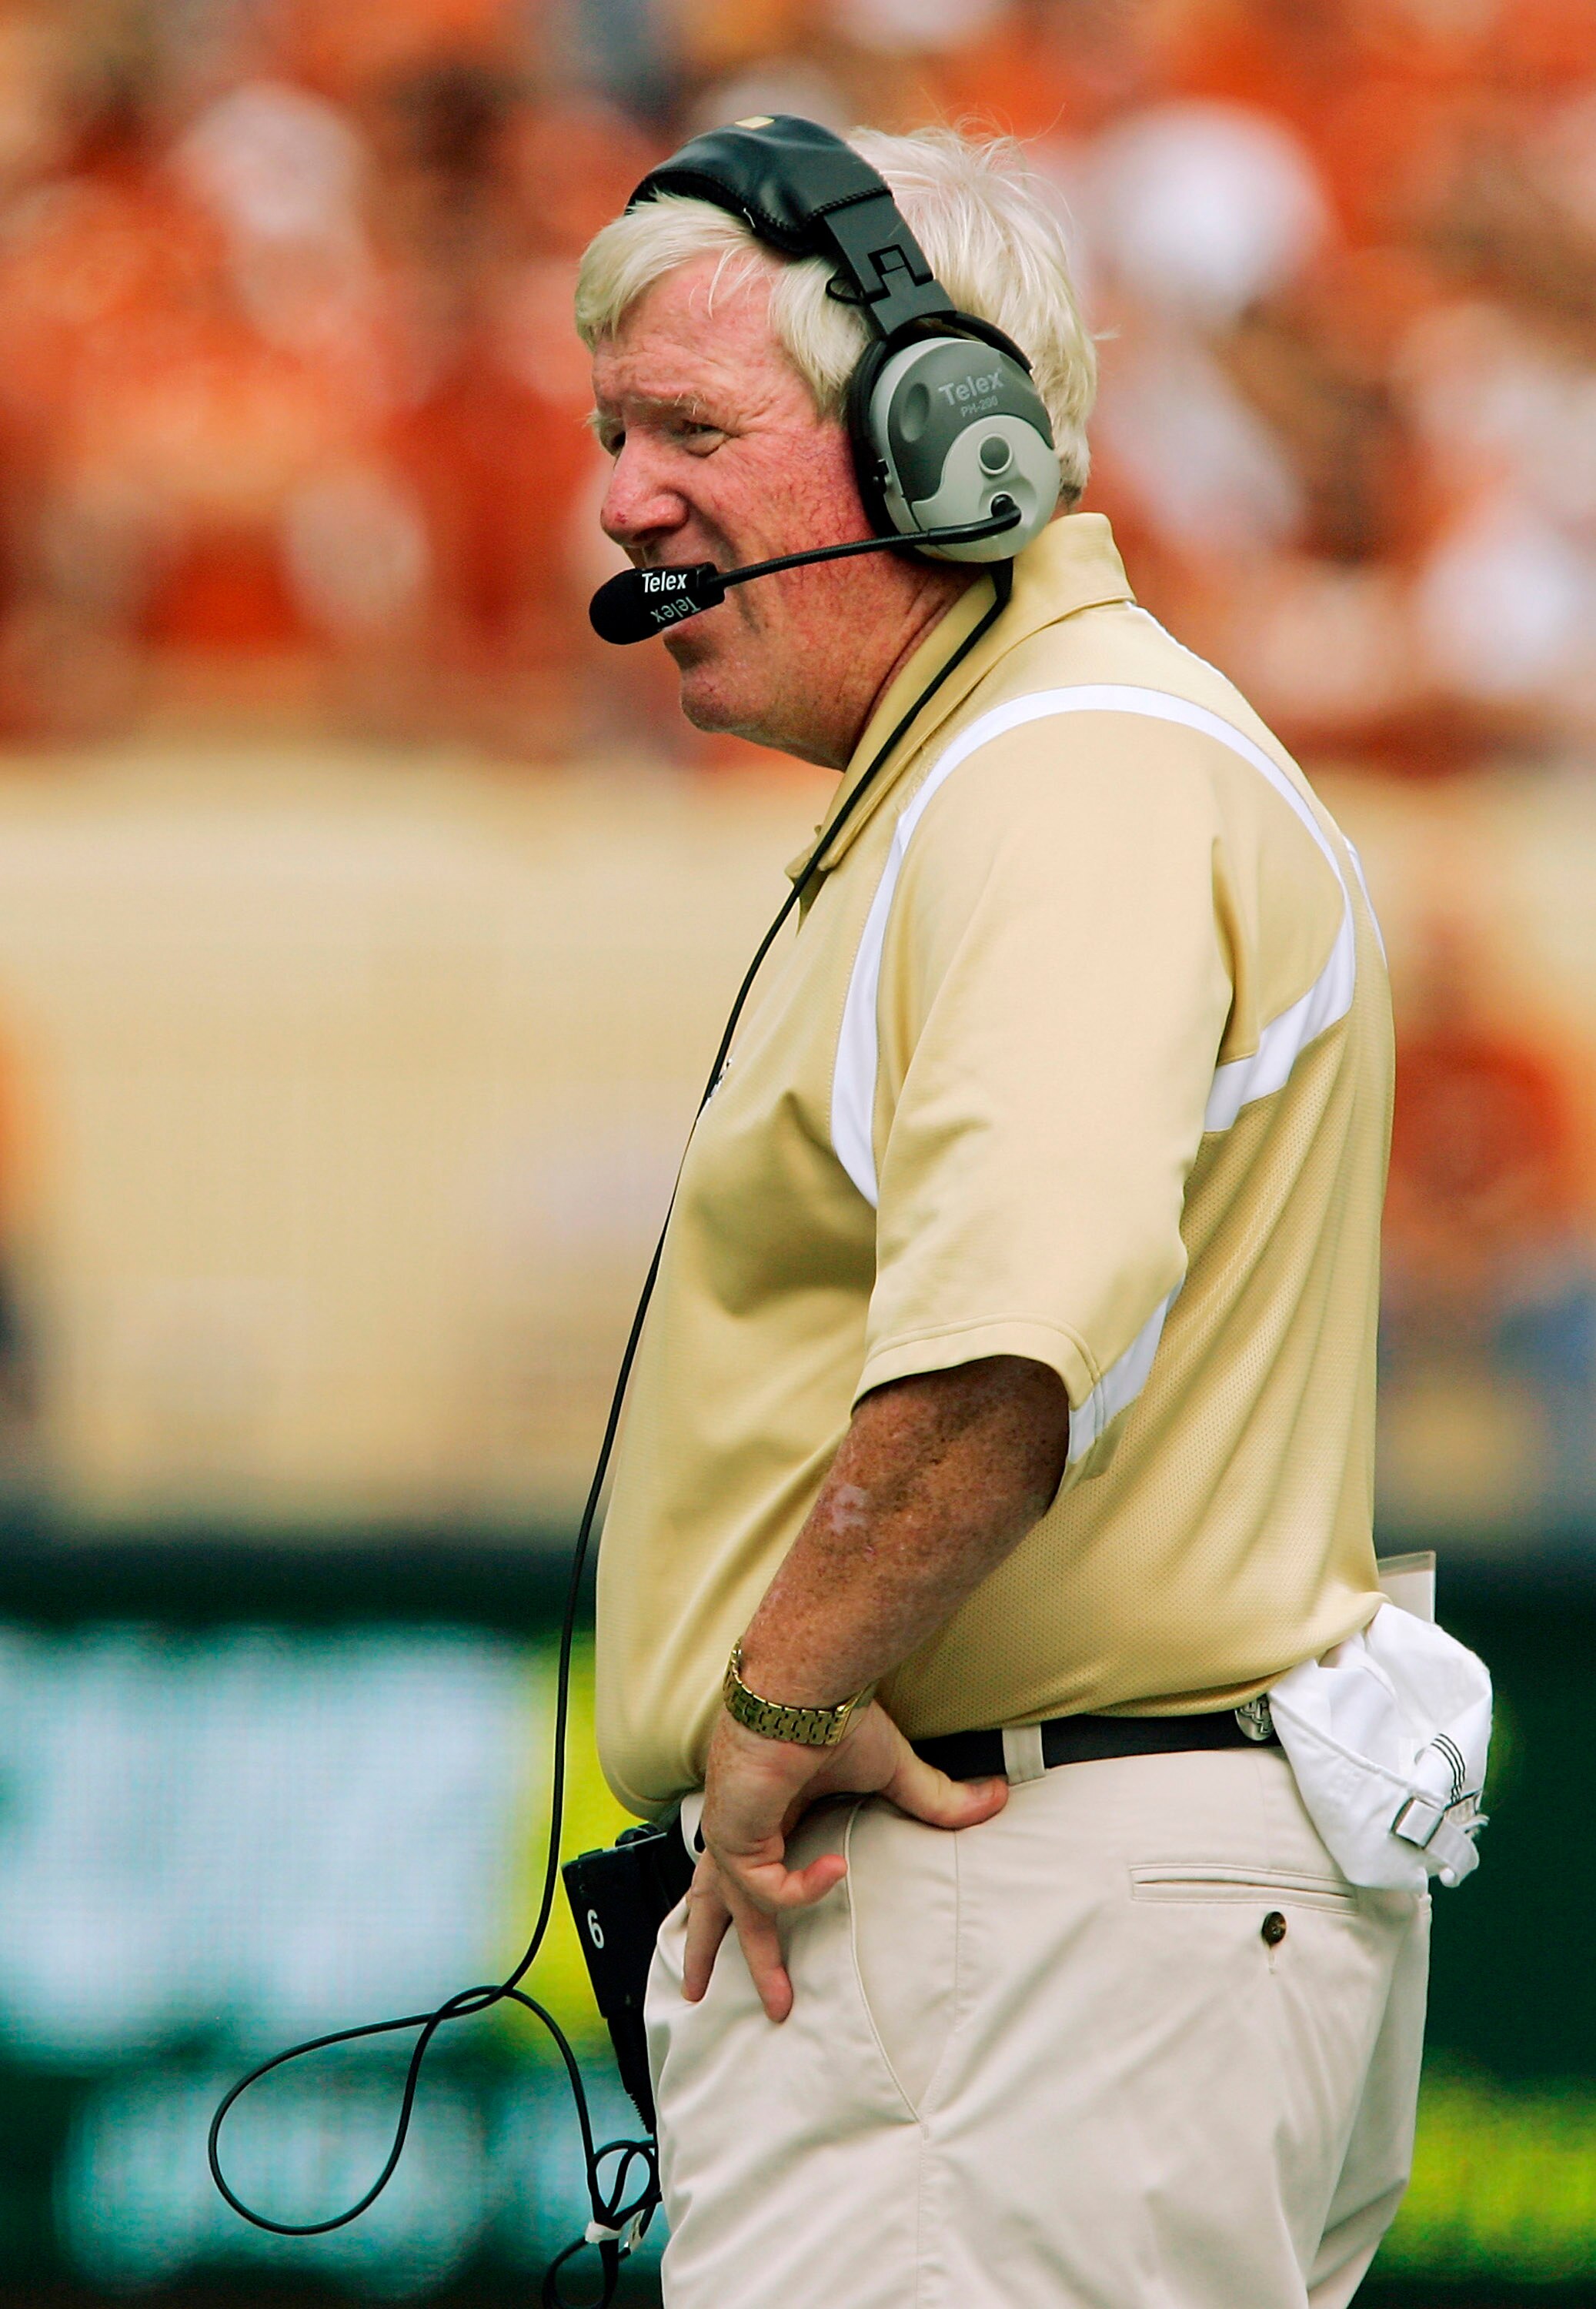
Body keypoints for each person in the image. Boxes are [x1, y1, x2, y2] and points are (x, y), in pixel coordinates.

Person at [576, 122, 1424, 2309]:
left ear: (941, 436)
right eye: (610, 432)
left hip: (1001, 1926)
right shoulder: (1049, 753)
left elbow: (1006, 1346)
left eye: (687, 429)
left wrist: (771, 1708)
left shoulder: (1056, 769)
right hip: (1066, 1939)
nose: (621, 502)